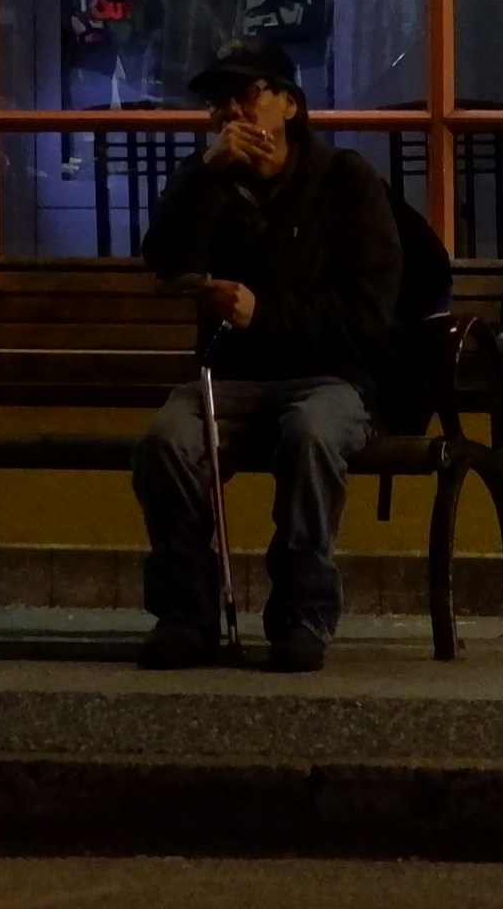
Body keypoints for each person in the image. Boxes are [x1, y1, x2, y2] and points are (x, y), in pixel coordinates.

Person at [133, 36, 398, 675]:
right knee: (167, 441)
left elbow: (368, 313)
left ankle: (303, 615)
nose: (230, 111)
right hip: (231, 377)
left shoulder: (345, 181)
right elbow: (165, 259)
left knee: (311, 437)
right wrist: (205, 174)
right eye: (218, 101)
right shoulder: (212, 182)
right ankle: (186, 615)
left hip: (328, 377)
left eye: (246, 94)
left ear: (289, 104)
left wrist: (264, 313)